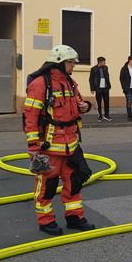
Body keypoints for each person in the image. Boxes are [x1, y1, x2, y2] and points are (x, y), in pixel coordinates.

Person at [23, 44, 95, 236]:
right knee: (47, 186)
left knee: (74, 183)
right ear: (59, 63)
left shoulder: (70, 83)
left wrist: (85, 106)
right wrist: (33, 145)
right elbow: (30, 116)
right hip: (49, 147)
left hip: (71, 146)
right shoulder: (40, 84)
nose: (73, 66)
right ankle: (46, 221)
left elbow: (82, 103)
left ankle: (75, 218)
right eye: (70, 62)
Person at [89, 56, 112, 122]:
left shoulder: (105, 68)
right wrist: (92, 88)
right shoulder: (94, 69)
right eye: (104, 62)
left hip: (105, 87)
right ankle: (100, 115)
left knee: (106, 101)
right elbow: (91, 79)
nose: (105, 63)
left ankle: (107, 114)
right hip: (98, 87)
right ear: (100, 62)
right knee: (98, 102)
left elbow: (107, 76)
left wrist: (109, 85)